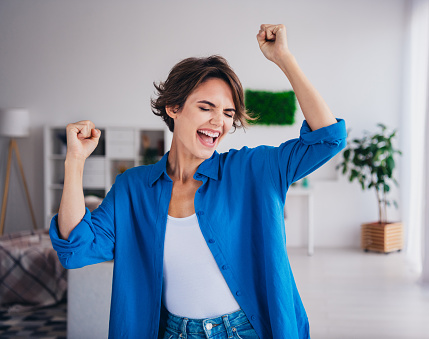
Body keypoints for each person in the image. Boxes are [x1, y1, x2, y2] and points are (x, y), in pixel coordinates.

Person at [50, 24, 347, 339]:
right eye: (206, 108)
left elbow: (328, 140)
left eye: (228, 113)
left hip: (246, 331)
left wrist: (284, 58)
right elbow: (75, 248)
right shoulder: (133, 188)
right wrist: (75, 161)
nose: (218, 121)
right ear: (174, 108)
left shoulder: (251, 169)